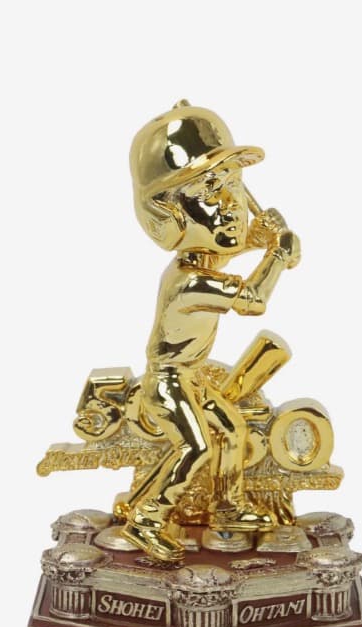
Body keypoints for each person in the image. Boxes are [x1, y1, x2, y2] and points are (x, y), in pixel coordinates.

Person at [122, 102, 301, 562]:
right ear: (168, 213)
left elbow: (229, 250)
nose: (231, 205)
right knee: (196, 445)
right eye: (209, 190)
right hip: (167, 383)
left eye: (232, 185)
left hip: (191, 378)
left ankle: (229, 505)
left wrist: (262, 240)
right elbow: (253, 300)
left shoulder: (201, 260)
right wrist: (276, 255)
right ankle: (147, 516)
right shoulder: (190, 281)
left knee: (231, 429)